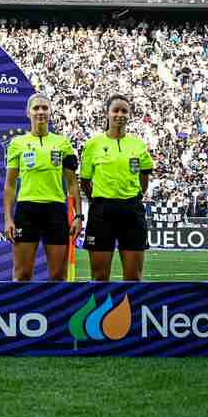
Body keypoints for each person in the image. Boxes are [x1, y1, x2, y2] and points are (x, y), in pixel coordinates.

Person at [3, 92, 82, 281]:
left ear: (50, 112)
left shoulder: (62, 143)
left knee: (58, 275)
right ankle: (20, 310)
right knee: (22, 274)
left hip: (54, 211)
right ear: (28, 113)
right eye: (36, 108)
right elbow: (10, 185)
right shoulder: (17, 144)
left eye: (44, 108)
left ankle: (57, 310)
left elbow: (72, 184)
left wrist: (78, 215)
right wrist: (8, 219)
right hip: (26, 211)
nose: (40, 112)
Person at [80, 94, 155, 281]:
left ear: (129, 115)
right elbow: (85, 181)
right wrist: (99, 200)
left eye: (124, 111)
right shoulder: (93, 145)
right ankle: (100, 311)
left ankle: (132, 310)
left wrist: (133, 195)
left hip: (131, 211)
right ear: (107, 113)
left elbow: (144, 178)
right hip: (102, 212)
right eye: (115, 110)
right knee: (99, 276)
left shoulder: (138, 145)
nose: (119, 114)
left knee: (133, 277)